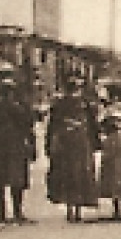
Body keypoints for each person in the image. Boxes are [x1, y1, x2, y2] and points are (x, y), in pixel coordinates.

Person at [0, 74, 36, 224]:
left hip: (2, 145)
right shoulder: (16, 107)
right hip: (12, 145)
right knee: (13, 180)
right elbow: (29, 126)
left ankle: (3, 213)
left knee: (3, 181)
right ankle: (14, 213)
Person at [45, 75, 101, 222]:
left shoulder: (60, 104)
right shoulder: (84, 104)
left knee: (67, 173)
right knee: (80, 173)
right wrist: (96, 142)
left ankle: (71, 207)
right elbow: (93, 125)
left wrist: (49, 143)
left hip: (66, 142)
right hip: (80, 142)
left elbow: (52, 125)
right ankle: (76, 208)